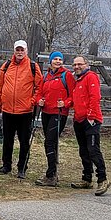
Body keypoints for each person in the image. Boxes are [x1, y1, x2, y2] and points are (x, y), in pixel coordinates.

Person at [0, 40, 42, 179]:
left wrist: (32, 102)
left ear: (26, 51)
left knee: (24, 141)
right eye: (17, 50)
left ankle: (22, 168)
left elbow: (39, 87)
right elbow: (0, 85)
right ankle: (6, 166)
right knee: (8, 140)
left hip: (25, 112)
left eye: (22, 50)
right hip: (8, 110)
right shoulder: (7, 65)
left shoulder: (33, 66)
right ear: (14, 51)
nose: (20, 52)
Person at [71, 55, 111, 196]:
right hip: (79, 119)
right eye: (75, 65)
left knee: (93, 150)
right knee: (83, 151)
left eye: (79, 64)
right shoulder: (77, 80)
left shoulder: (91, 77)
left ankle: (102, 179)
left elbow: (95, 97)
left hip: (91, 120)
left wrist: (91, 116)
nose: (77, 67)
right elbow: (76, 99)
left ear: (86, 64)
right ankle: (87, 178)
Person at [35, 51, 75, 187]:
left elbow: (73, 95)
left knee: (49, 142)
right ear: (50, 61)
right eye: (55, 59)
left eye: (60, 59)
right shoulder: (46, 76)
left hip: (59, 113)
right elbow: (39, 92)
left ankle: (50, 175)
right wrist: (39, 100)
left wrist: (65, 103)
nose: (58, 61)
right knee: (51, 143)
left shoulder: (67, 75)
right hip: (46, 112)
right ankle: (53, 173)